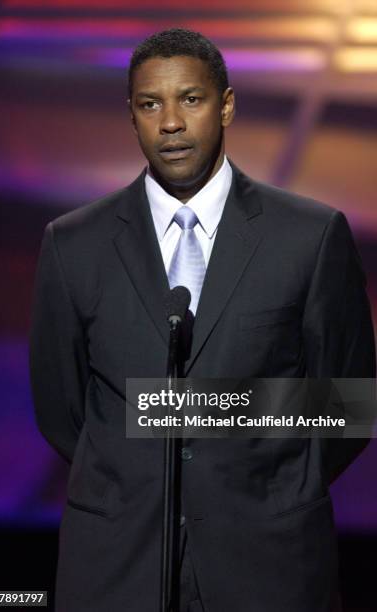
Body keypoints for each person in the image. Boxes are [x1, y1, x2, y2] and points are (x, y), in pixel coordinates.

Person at [29, 28, 376, 612]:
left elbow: (349, 402)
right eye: (149, 104)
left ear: (227, 105)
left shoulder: (310, 236)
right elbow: (65, 412)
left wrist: (264, 480)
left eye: (190, 99)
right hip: (117, 568)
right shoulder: (72, 245)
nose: (170, 123)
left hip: (268, 564)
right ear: (132, 115)